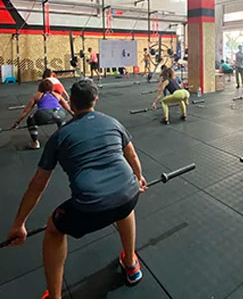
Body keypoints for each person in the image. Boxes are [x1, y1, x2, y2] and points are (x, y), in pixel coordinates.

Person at [7, 79, 147, 299]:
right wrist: (138, 179)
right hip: (129, 195)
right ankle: (131, 264)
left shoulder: (59, 137)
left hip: (90, 208)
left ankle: (55, 296)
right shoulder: (112, 122)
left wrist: (19, 224)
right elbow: (132, 156)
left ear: (71, 103)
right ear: (95, 100)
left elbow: (38, 183)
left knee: (53, 228)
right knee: (124, 204)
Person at [12, 79, 73, 150]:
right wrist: (76, 116)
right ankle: (63, 139)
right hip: (59, 113)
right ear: (51, 87)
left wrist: (17, 123)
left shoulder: (38, 96)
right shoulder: (57, 95)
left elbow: (26, 111)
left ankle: (35, 143)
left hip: (44, 115)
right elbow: (68, 108)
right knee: (61, 118)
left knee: (31, 118)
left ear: (40, 87)